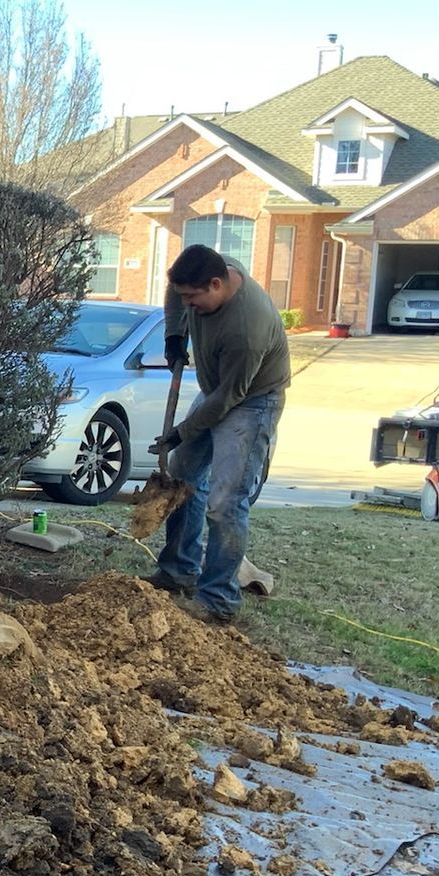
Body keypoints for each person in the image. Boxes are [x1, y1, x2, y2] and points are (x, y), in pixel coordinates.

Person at [147, 244, 291, 623]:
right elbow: (176, 291)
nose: (188, 303)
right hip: (217, 392)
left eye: (194, 297)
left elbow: (230, 398)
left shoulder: (247, 328)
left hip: (251, 402)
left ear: (217, 284)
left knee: (225, 502)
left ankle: (218, 600)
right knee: (182, 478)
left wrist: (180, 433)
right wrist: (174, 336)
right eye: (184, 297)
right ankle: (177, 571)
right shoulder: (207, 279)